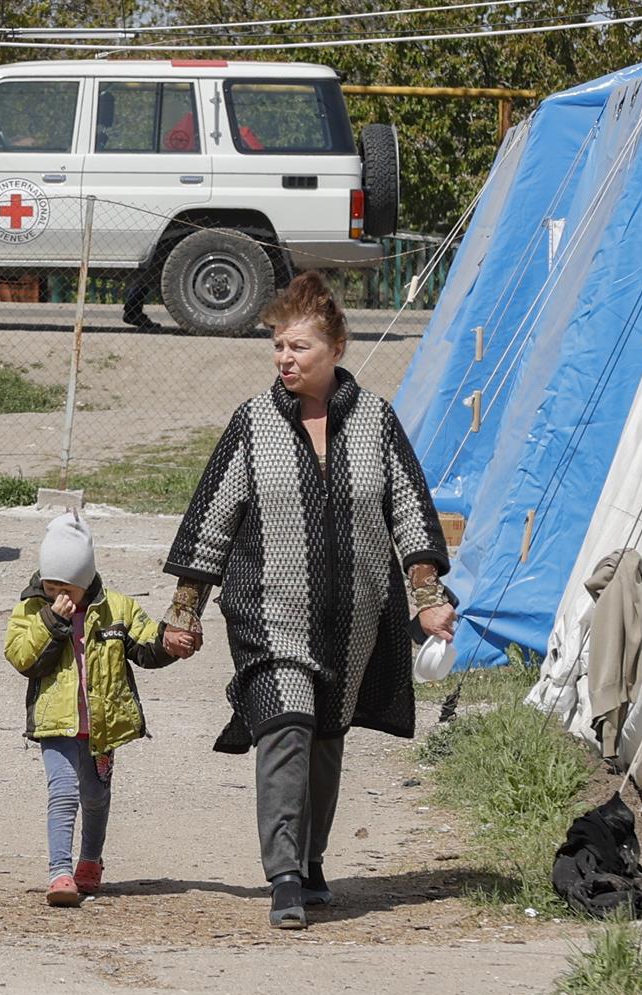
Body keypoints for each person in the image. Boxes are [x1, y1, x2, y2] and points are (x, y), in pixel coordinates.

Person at [160, 271, 456, 930]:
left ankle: (313, 857)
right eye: (278, 347)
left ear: (337, 347)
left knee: (325, 737)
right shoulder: (253, 423)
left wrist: (428, 596)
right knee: (286, 726)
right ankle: (285, 875)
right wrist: (185, 611)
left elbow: (408, 506)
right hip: (269, 615)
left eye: (299, 347)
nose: (285, 359)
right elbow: (211, 518)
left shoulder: (377, 420)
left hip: (352, 620)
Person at [4, 511, 197, 906]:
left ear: (87, 581)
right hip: (55, 723)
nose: (60, 595)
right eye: (51, 585)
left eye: (69, 589)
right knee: (63, 792)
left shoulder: (117, 609)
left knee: (94, 796)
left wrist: (169, 643)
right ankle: (59, 872)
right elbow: (22, 657)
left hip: (102, 725)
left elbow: (145, 643)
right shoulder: (30, 609)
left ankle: (89, 862)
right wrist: (50, 623)